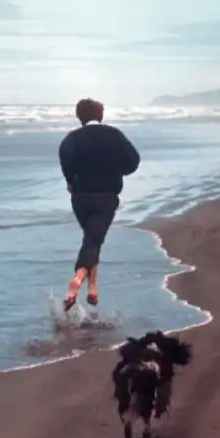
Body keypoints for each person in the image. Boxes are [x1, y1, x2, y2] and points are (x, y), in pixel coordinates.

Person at [58, 98, 140, 311]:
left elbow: (66, 163)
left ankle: (93, 288)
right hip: (106, 196)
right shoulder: (114, 135)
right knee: (94, 240)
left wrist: (71, 181)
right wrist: (115, 170)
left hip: (80, 197)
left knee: (92, 239)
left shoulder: (71, 139)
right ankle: (77, 279)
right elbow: (133, 161)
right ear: (101, 115)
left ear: (80, 117)